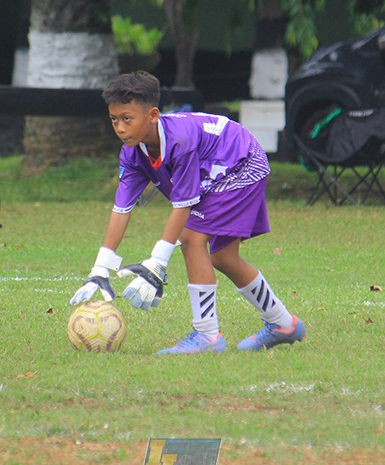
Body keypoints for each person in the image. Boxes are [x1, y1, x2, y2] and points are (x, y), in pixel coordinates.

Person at [70, 71, 306, 353]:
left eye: (127, 118)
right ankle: (283, 324)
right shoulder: (132, 153)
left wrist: (157, 262)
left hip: (243, 162)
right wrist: (100, 267)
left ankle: (207, 336)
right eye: (114, 119)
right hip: (219, 171)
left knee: (192, 237)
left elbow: (183, 205)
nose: (120, 127)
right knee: (223, 257)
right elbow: (121, 209)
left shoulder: (180, 143)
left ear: (153, 115)